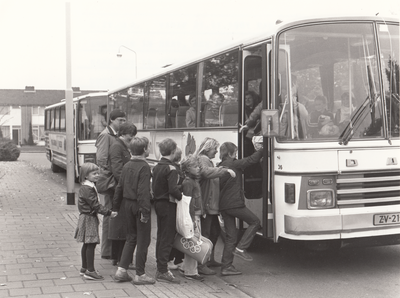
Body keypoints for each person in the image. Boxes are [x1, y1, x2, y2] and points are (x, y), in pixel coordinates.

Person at [113, 137, 155, 285]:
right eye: (148, 147)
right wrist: (145, 211)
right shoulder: (144, 167)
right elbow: (143, 191)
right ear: (144, 150)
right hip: (139, 205)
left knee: (131, 237)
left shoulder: (127, 165)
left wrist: (115, 207)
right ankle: (140, 274)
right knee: (144, 240)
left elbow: (119, 187)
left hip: (127, 204)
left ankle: (122, 270)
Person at [218, 142, 263, 276]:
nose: (236, 155)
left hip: (224, 205)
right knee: (255, 222)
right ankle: (241, 248)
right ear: (231, 153)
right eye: (235, 152)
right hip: (234, 204)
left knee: (231, 236)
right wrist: (262, 149)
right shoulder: (233, 164)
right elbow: (251, 160)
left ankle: (226, 267)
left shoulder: (221, 165)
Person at [195, 137, 236, 275]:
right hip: (207, 205)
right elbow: (206, 173)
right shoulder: (203, 159)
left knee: (214, 233)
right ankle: (202, 265)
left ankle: (209, 260)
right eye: (214, 149)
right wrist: (224, 170)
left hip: (210, 205)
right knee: (206, 235)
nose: (216, 151)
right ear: (207, 149)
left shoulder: (205, 160)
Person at [74, 162, 118, 280]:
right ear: (85, 176)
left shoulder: (87, 186)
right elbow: (95, 205)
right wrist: (109, 212)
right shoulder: (88, 189)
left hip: (85, 217)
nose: (97, 175)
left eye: (98, 173)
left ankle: (84, 268)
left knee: (86, 243)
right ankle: (90, 270)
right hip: (89, 218)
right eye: (94, 174)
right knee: (91, 244)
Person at [95, 109, 126, 260]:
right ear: (112, 120)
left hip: (112, 179)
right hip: (109, 181)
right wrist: (112, 173)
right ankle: (106, 250)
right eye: (120, 120)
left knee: (112, 213)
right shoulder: (106, 135)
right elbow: (101, 159)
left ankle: (111, 249)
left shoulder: (113, 135)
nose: (122, 123)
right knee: (108, 213)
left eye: (124, 120)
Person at [152, 138, 182, 284]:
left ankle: (160, 265)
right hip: (168, 204)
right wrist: (181, 196)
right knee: (167, 237)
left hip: (158, 203)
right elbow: (173, 189)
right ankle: (162, 270)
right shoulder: (172, 168)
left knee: (161, 234)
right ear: (173, 151)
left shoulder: (157, 166)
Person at [108, 122, 137, 267]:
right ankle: (121, 258)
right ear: (122, 134)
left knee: (121, 224)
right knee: (123, 225)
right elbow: (118, 170)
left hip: (121, 188)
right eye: (130, 138)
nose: (131, 141)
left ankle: (118, 257)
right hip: (120, 189)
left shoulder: (121, 145)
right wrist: (128, 187)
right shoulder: (117, 146)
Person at [178, 154, 204, 281]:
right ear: (187, 169)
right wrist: (192, 218)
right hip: (193, 215)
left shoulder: (192, 181)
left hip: (196, 214)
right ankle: (191, 271)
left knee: (191, 241)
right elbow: (188, 202)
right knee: (194, 243)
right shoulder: (189, 182)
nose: (198, 168)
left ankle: (185, 267)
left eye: (198, 166)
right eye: (195, 166)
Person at [168, 147, 185, 271]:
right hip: (176, 202)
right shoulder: (175, 169)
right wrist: (181, 197)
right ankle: (172, 259)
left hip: (174, 203)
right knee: (176, 232)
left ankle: (176, 259)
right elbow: (173, 188)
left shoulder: (173, 167)